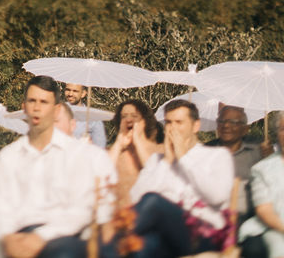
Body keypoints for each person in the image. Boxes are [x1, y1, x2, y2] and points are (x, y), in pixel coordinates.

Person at [0, 76, 92, 258]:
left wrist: (40, 237)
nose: (37, 108)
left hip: (61, 236)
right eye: (32, 101)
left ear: (56, 109)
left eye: (44, 102)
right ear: (24, 107)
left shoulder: (77, 154)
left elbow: (82, 209)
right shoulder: (9, 156)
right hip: (14, 235)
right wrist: (8, 238)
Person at [120, 99, 234, 258]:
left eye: (179, 122)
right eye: (168, 122)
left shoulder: (216, 155)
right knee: (144, 246)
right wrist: (167, 161)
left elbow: (217, 197)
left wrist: (183, 158)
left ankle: (112, 240)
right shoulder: (158, 160)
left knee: (154, 201)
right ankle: (114, 244)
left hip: (203, 232)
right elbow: (137, 198)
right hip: (163, 233)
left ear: (195, 126)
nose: (172, 128)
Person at [54, 102, 118, 238]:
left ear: (72, 125)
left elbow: (106, 203)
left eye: (56, 122)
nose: (52, 128)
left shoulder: (94, 157)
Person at [206, 104, 271, 221]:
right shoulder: (206, 151)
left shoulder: (258, 150)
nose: (226, 125)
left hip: (250, 218)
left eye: (233, 122)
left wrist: (269, 158)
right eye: (222, 121)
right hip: (213, 218)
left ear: (245, 129)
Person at [239, 111, 284, 258]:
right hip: (274, 228)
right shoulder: (262, 169)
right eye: (283, 129)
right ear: (278, 134)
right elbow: (265, 211)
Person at [107, 99, 161, 211]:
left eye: (134, 116)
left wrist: (137, 140)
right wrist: (118, 143)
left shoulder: (159, 149)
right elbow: (103, 173)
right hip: (120, 216)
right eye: (124, 116)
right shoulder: (114, 151)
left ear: (144, 121)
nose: (128, 119)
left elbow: (154, 171)